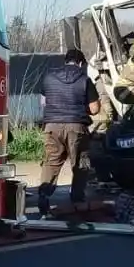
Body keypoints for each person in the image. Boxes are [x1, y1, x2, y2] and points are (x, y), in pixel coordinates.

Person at [37, 48, 100, 215]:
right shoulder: (84, 79)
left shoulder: (49, 78)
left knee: (51, 161)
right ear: (80, 63)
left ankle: (44, 194)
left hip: (51, 126)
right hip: (76, 126)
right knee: (80, 162)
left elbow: (43, 103)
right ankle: (77, 197)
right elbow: (95, 109)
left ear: (65, 61)